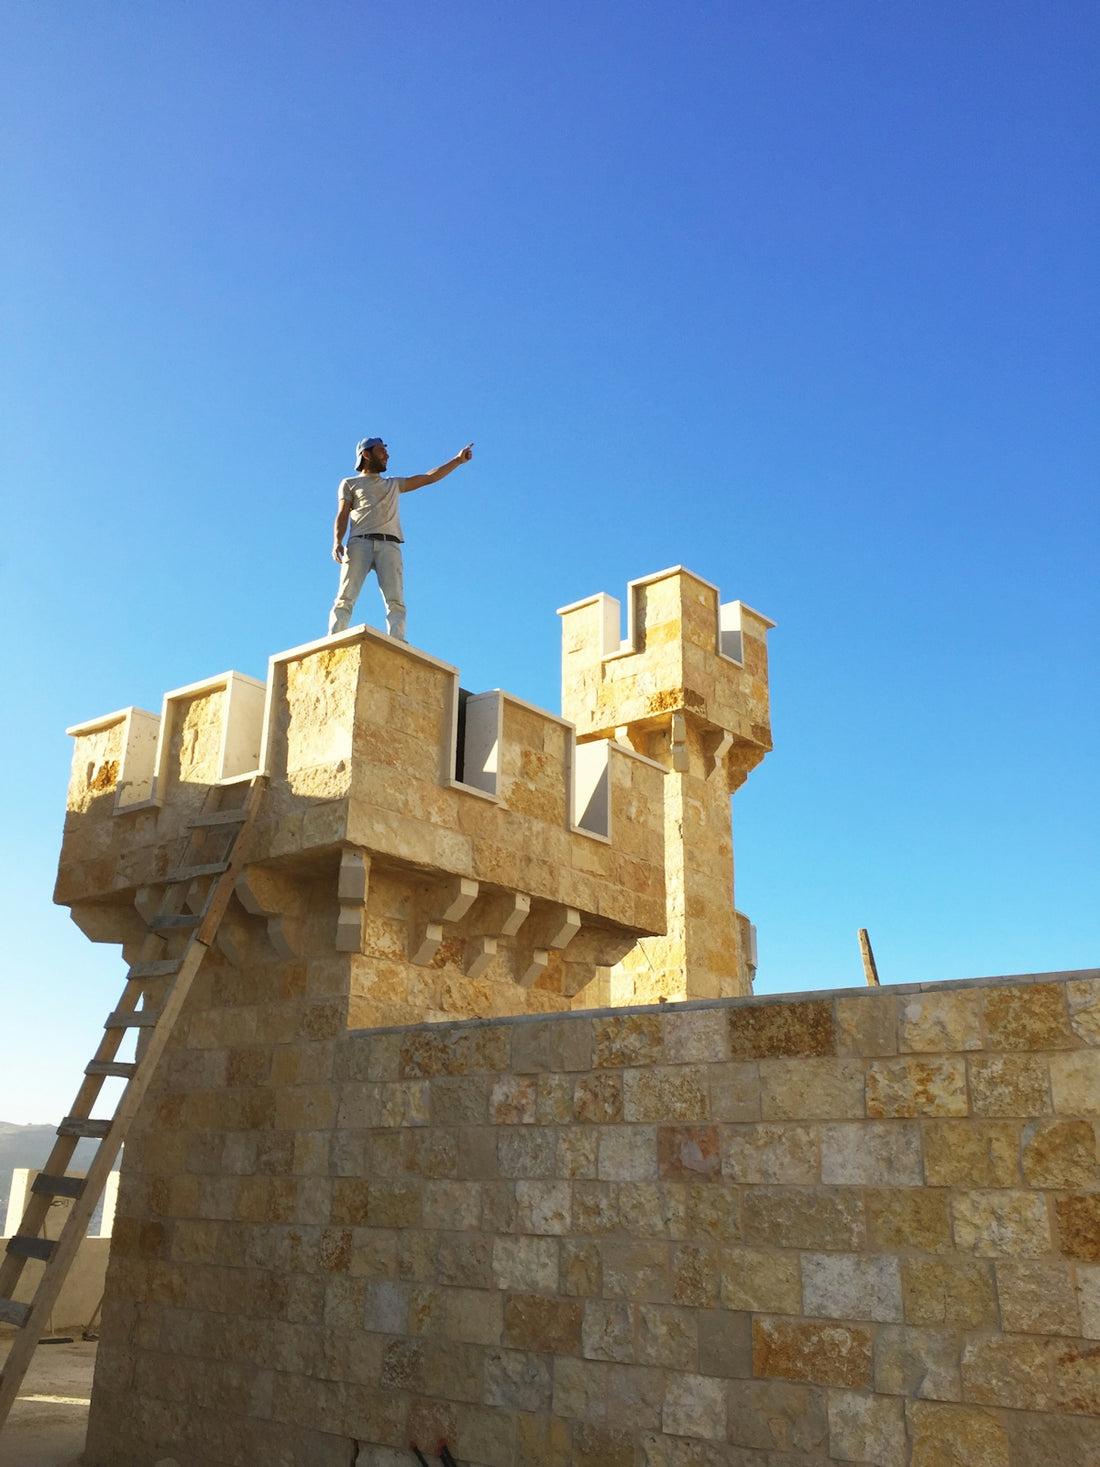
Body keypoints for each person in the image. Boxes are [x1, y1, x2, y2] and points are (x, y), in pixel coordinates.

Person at [328, 436, 474, 639]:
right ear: (365, 454)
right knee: (345, 597)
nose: (387, 455)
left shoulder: (394, 484)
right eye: (381, 451)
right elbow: (342, 514)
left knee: (395, 600)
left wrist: (457, 460)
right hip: (359, 543)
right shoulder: (350, 483)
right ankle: (335, 637)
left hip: (390, 544)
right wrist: (337, 541)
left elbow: (428, 477)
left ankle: (397, 641)